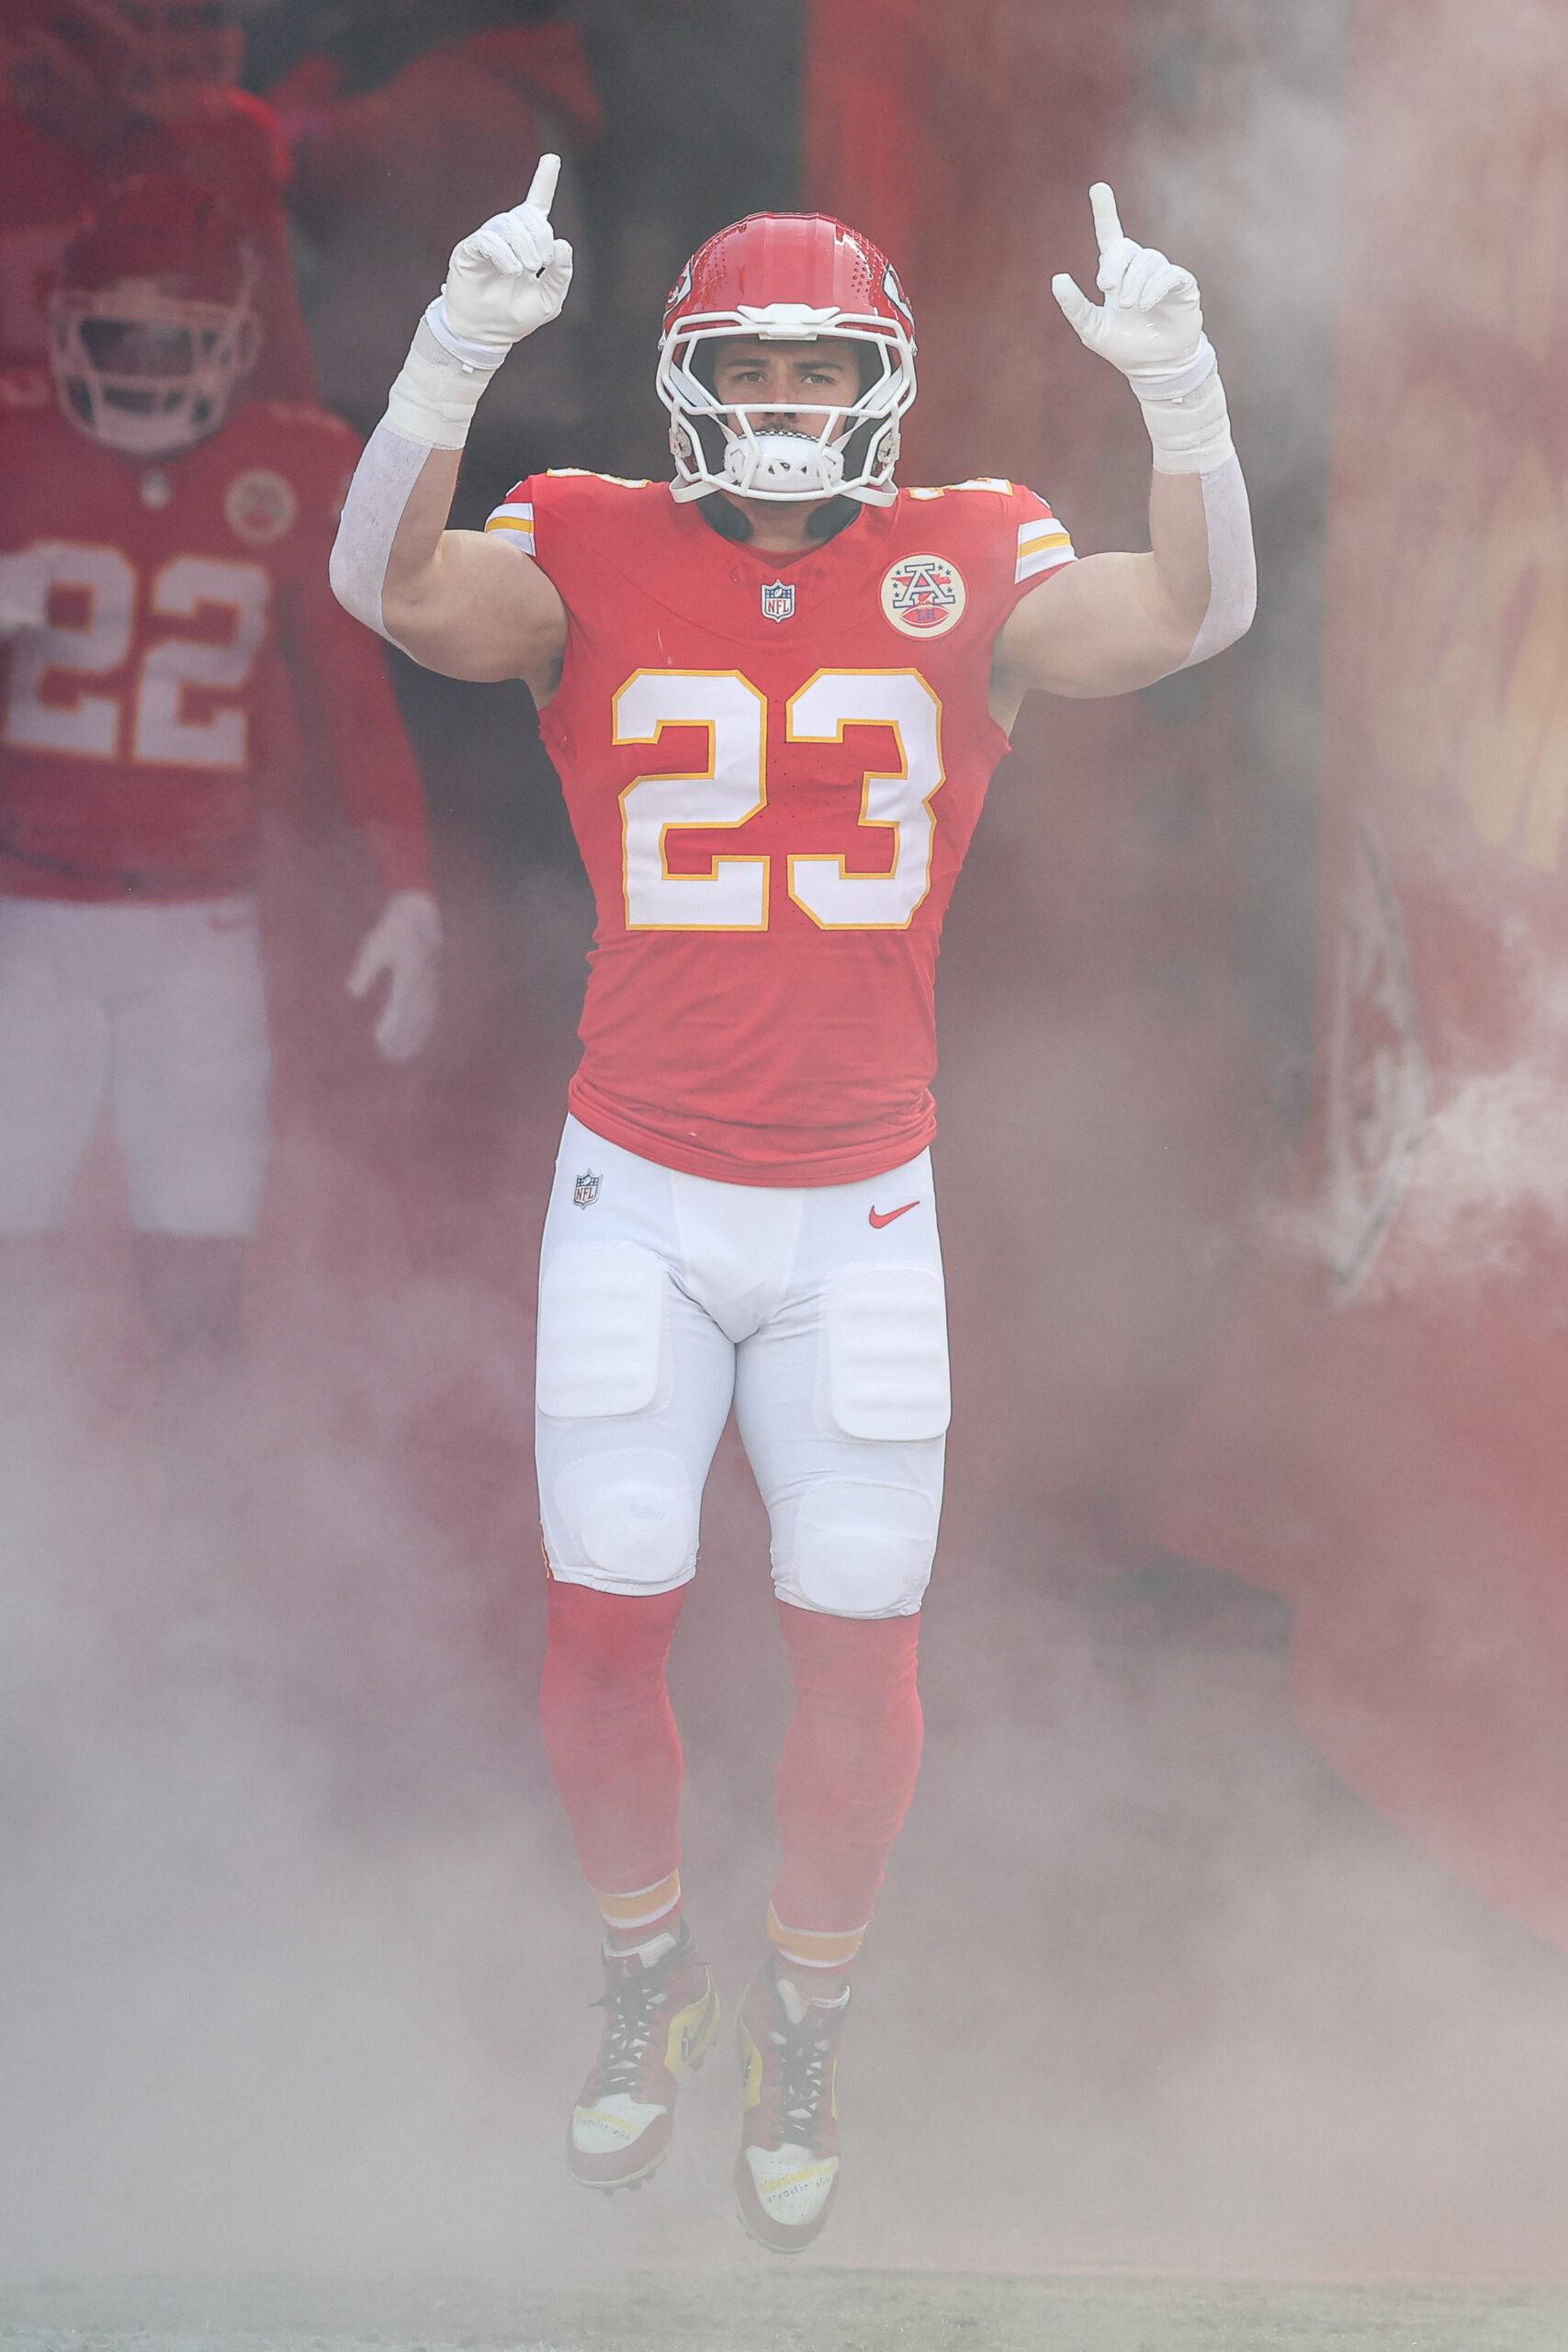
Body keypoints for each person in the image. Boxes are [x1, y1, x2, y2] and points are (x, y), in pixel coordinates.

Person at [329, 158, 1255, 2253]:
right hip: (634, 1190)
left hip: (854, 1212)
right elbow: (399, 591)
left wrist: (1181, 391)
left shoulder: (969, 550)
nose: (768, 392)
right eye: (736, 359)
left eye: (808, 361)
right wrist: (446, 354)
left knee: (857, 1647)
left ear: (879, 386)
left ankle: (802, 2014)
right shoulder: (580, 536)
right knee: (605, 1606)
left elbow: (1183, 614)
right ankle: (647, 1972)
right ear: (676, 378)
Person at [0, 172, 438, 1370]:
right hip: (27, 915)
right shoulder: (14, 437)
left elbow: (352, 697)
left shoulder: (290, 464)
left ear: (237, 344)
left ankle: (199, 1513)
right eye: (119, 335)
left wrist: (406, 880)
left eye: (172, 340)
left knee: (200, 1246)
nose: (143, 366)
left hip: (202, 920)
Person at [0, 0, 316, 398]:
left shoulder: (225, 138)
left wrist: (135, 143)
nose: (156, 45)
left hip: (188, 431)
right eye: (135, 20)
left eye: (180, 21)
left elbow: (279, 384)